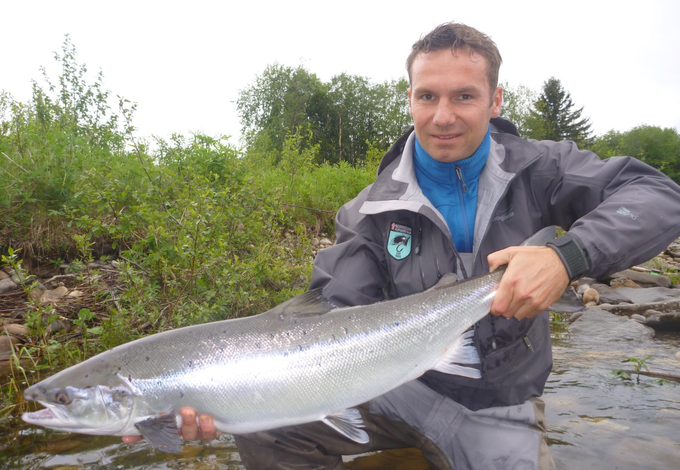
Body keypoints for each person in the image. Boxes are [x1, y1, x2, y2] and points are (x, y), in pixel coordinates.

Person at [124, 22, 680, 469]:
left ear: (494, 99)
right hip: (398, 385)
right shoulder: (367, 211)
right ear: (409, 98)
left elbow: (659, 195)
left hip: (498, 403)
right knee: (269, 428)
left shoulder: (544, 168)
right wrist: (230, 399)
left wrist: (567, 258)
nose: (443, 116)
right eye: (427, 96)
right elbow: (330, 314)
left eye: (465, 96)